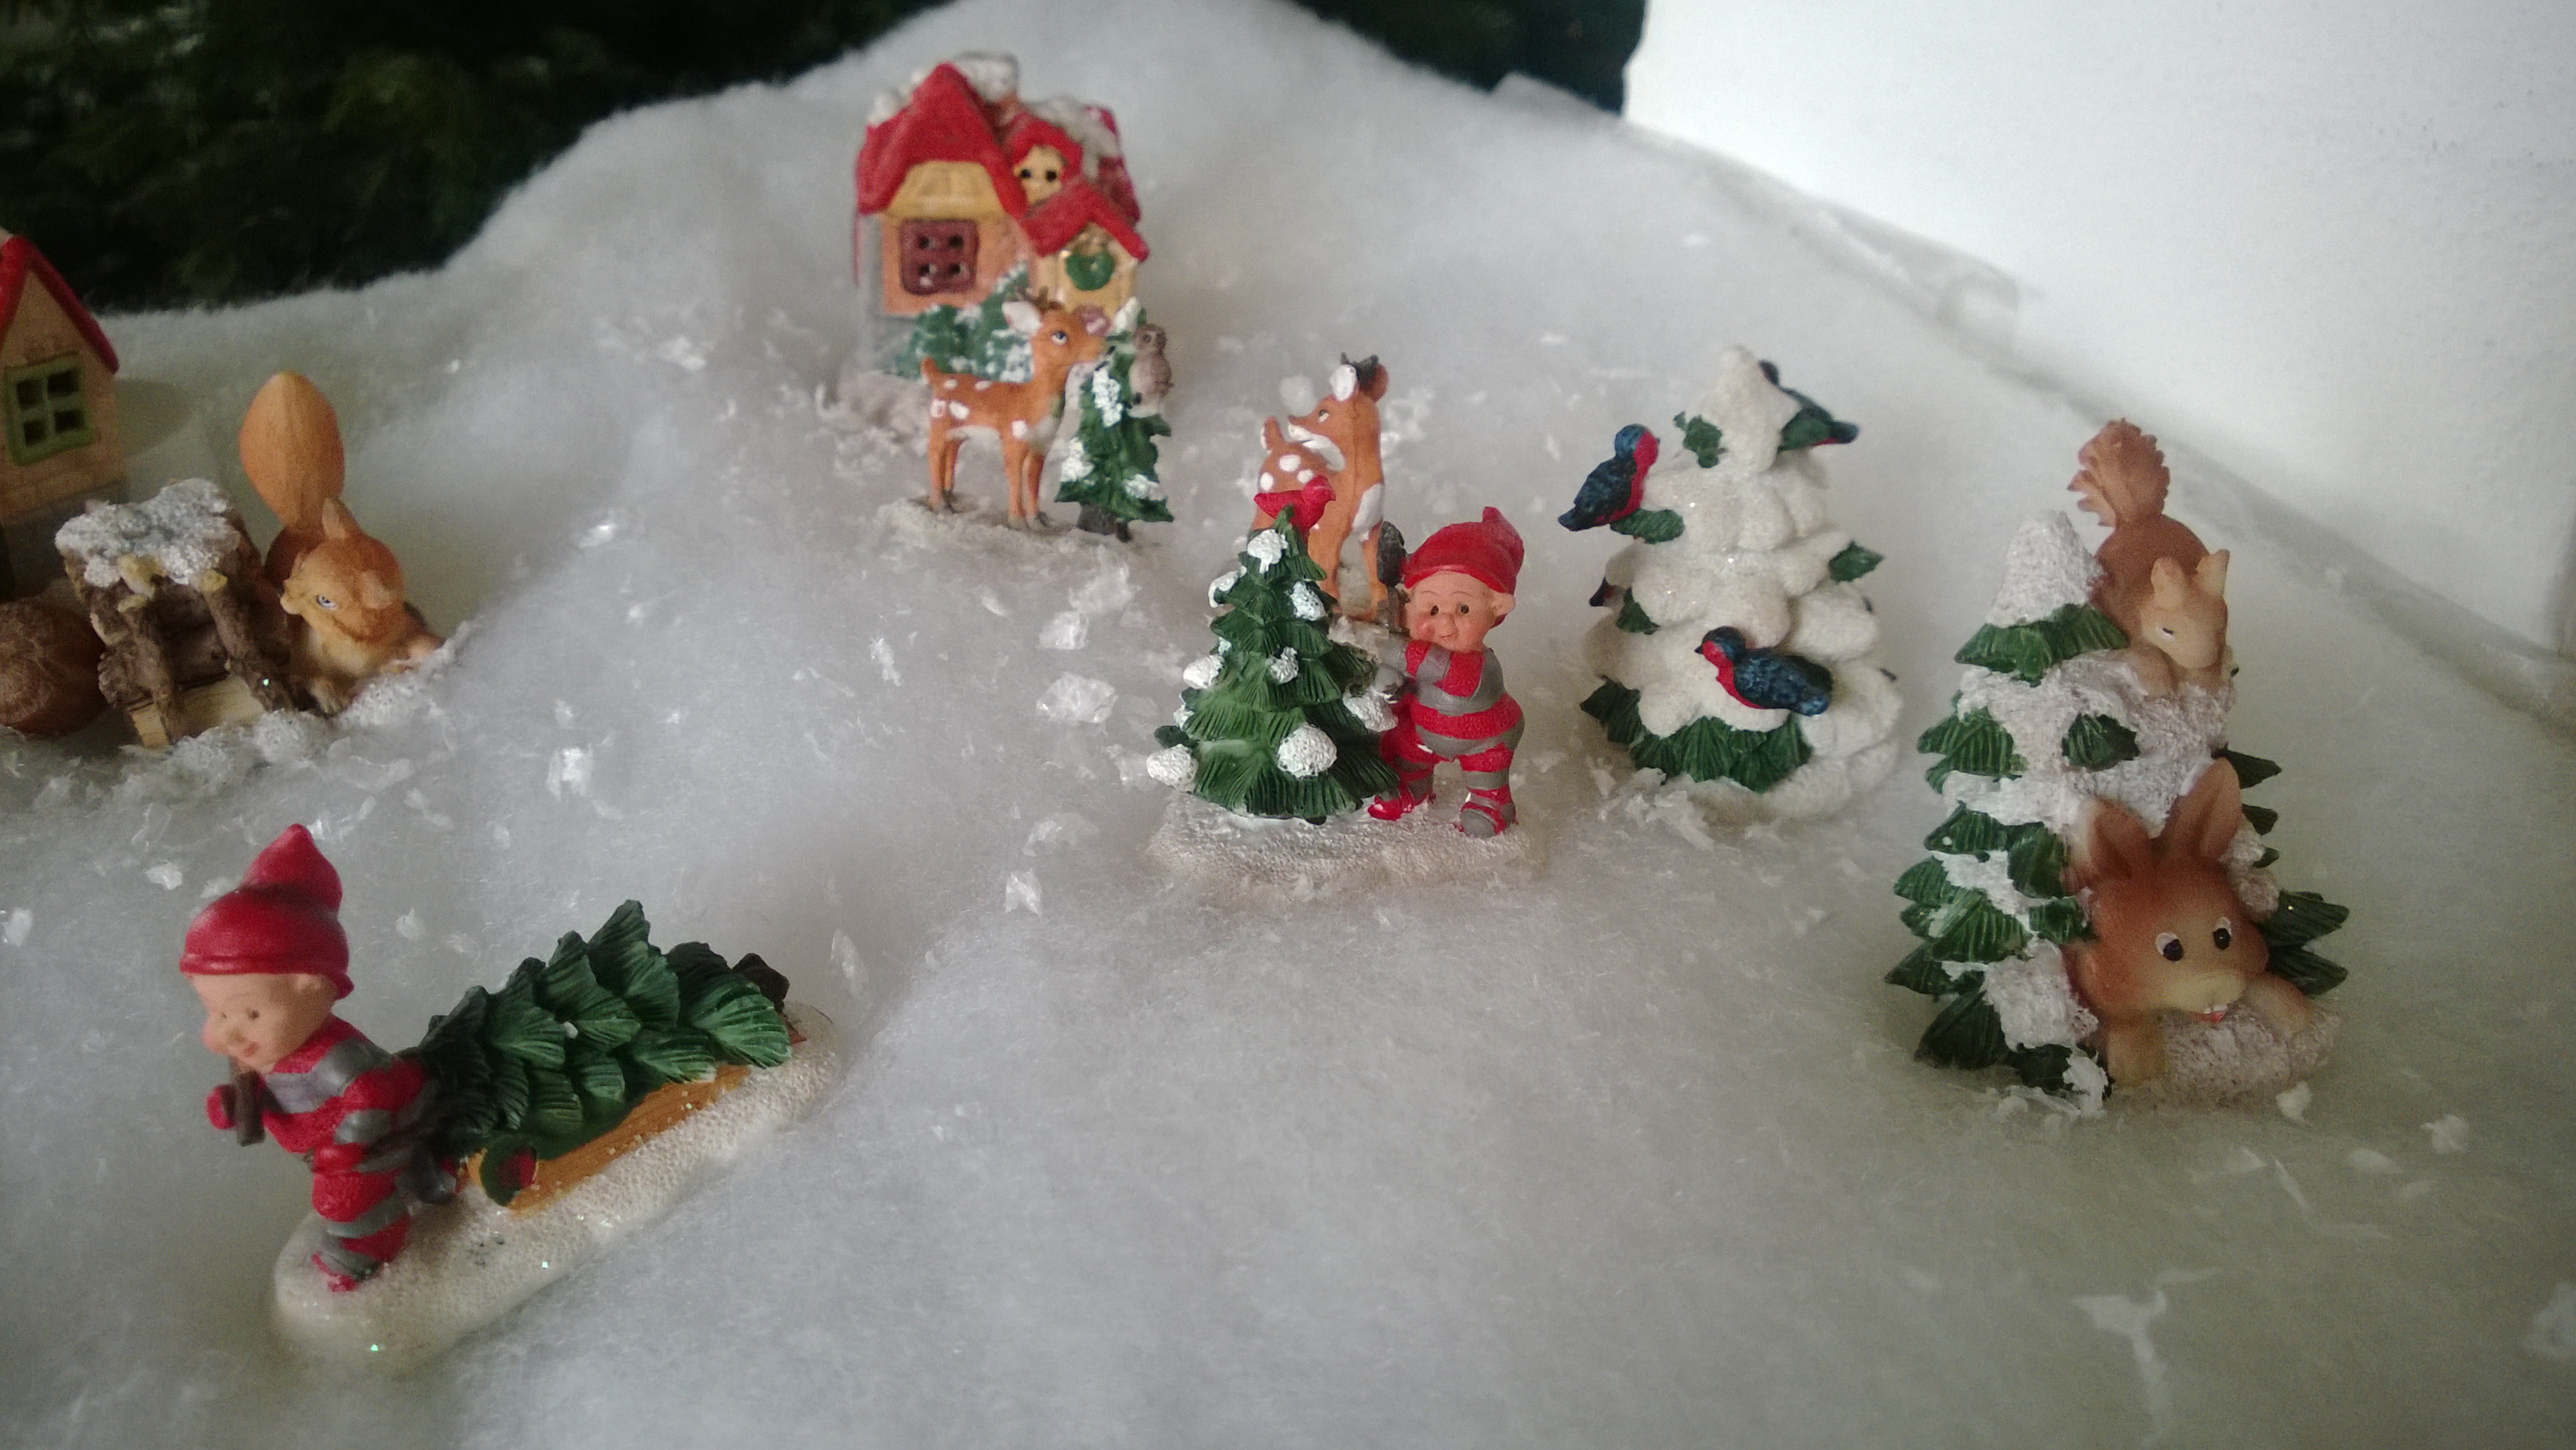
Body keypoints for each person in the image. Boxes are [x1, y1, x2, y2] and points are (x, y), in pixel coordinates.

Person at [182, 825, 450, 1290]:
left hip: (378, 1134)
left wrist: (347, 1144)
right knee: (358, 1184)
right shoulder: (263, 1055)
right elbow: (270, 1094)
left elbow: (372, 1095)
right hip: (330, 1148)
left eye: (250, 1013)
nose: (230, 1032)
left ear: (312, 989)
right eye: (217, 1013)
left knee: (340, 1201)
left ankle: (369, 1248)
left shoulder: (334, 1058)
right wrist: (233, 1103)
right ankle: (419, 1177)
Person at [1369, 508, 1524, 836]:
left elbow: (1436, 667)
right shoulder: (1414, 643)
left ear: (1497, 606)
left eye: (1463, 609)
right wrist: (1391, 683)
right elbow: (1407, 676)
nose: (1444, 622)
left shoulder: (1478, 666)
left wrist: (1388, 648)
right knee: (1406, 749)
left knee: (1486, 773)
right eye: (1432, 608)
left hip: (1486, 738)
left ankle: (1492, 805)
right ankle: (1412, 788)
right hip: (1426, 731)